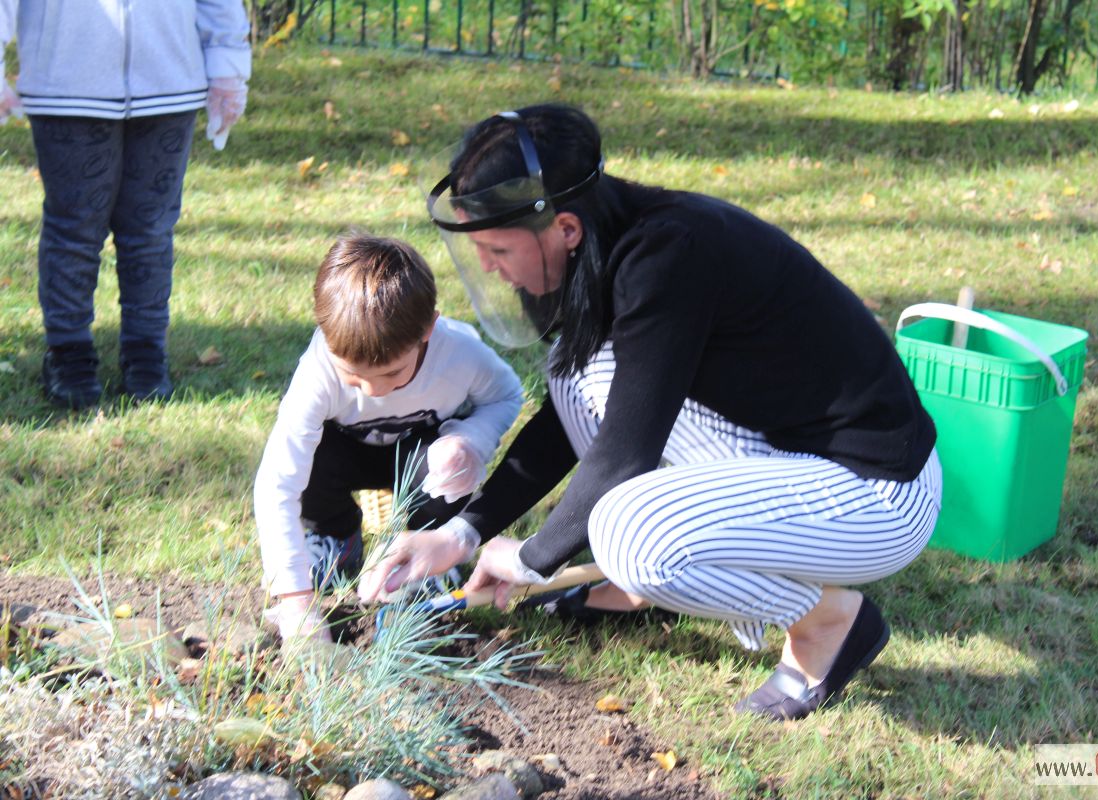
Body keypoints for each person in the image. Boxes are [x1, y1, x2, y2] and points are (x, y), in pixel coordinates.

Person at [357, 104, 941, 722]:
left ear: (565, 229)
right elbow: (572, 423)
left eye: (498, 247)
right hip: (786, 451)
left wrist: (532, 558)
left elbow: (624, 455)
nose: (487, 266)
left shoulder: (669, 259)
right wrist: (460, 534)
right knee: (575, 374)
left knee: (630, 536)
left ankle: (828, 621)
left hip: (876, 495)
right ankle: (641, 587)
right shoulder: (616, 241)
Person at [256, 234, 523, 641]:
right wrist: (294, 599)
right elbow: (279, 479)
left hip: (423, 456)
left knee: (447, 463)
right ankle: (336, 537)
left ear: (428, 330)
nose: (373, 391)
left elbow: (507, 395)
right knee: (310, 455)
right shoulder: (318, 371)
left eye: (393, 374)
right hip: (346, 452)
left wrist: (470, 440)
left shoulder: (461, 354)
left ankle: (429, 554)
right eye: (353, 376)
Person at [0, 0, 251, 408]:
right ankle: (68, 354)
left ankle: (146, 354)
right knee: (74, 230)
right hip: (66, 83)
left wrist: (228, 67)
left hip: (169, 80)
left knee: (150, 230)